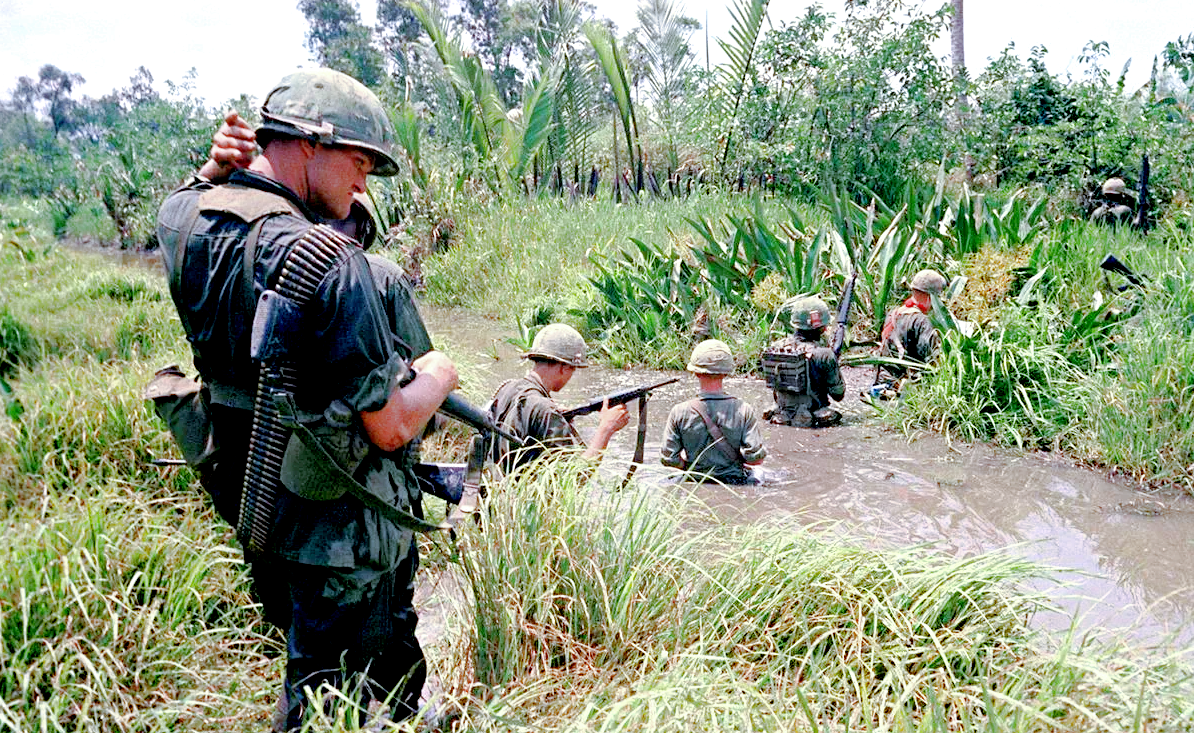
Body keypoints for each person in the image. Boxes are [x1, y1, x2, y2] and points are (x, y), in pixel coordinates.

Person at [157, 69, 459, 731]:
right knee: (322, 692)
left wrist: (213, 168)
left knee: (309, 657)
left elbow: (196, 195)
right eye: (359, 162)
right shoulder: (328, 258)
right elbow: (390, 427)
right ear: (309, 144)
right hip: (329, 517)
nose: (362, 184)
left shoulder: (180, 218)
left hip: (253, 493)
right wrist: (438, 372)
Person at [487, 323, 629, 473]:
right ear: (563, 367)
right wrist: (606, 428)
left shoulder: (508, 387)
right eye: (572, 369)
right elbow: (576, 476)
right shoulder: (545, 410)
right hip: (519, 495)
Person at [660, 339, 766, 484]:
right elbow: (756, 459)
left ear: (695, 372)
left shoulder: (679, 411)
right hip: (734, 483)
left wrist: (691, 467)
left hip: (694, 483)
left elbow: (669, 459)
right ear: (726, 373)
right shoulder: (743, 410)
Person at [761, 296, 845, 427]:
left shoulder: (776, 347)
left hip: (781, 415)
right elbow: (838, 394)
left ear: (794, 323)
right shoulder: (824, 355)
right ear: (823, 328)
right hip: (814, 416)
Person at [879, 268, 947, 383]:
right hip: (905, 386)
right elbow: (930, 360)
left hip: (884, 381)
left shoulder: (894, 313)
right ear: (932, 297)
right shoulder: (923, 322)